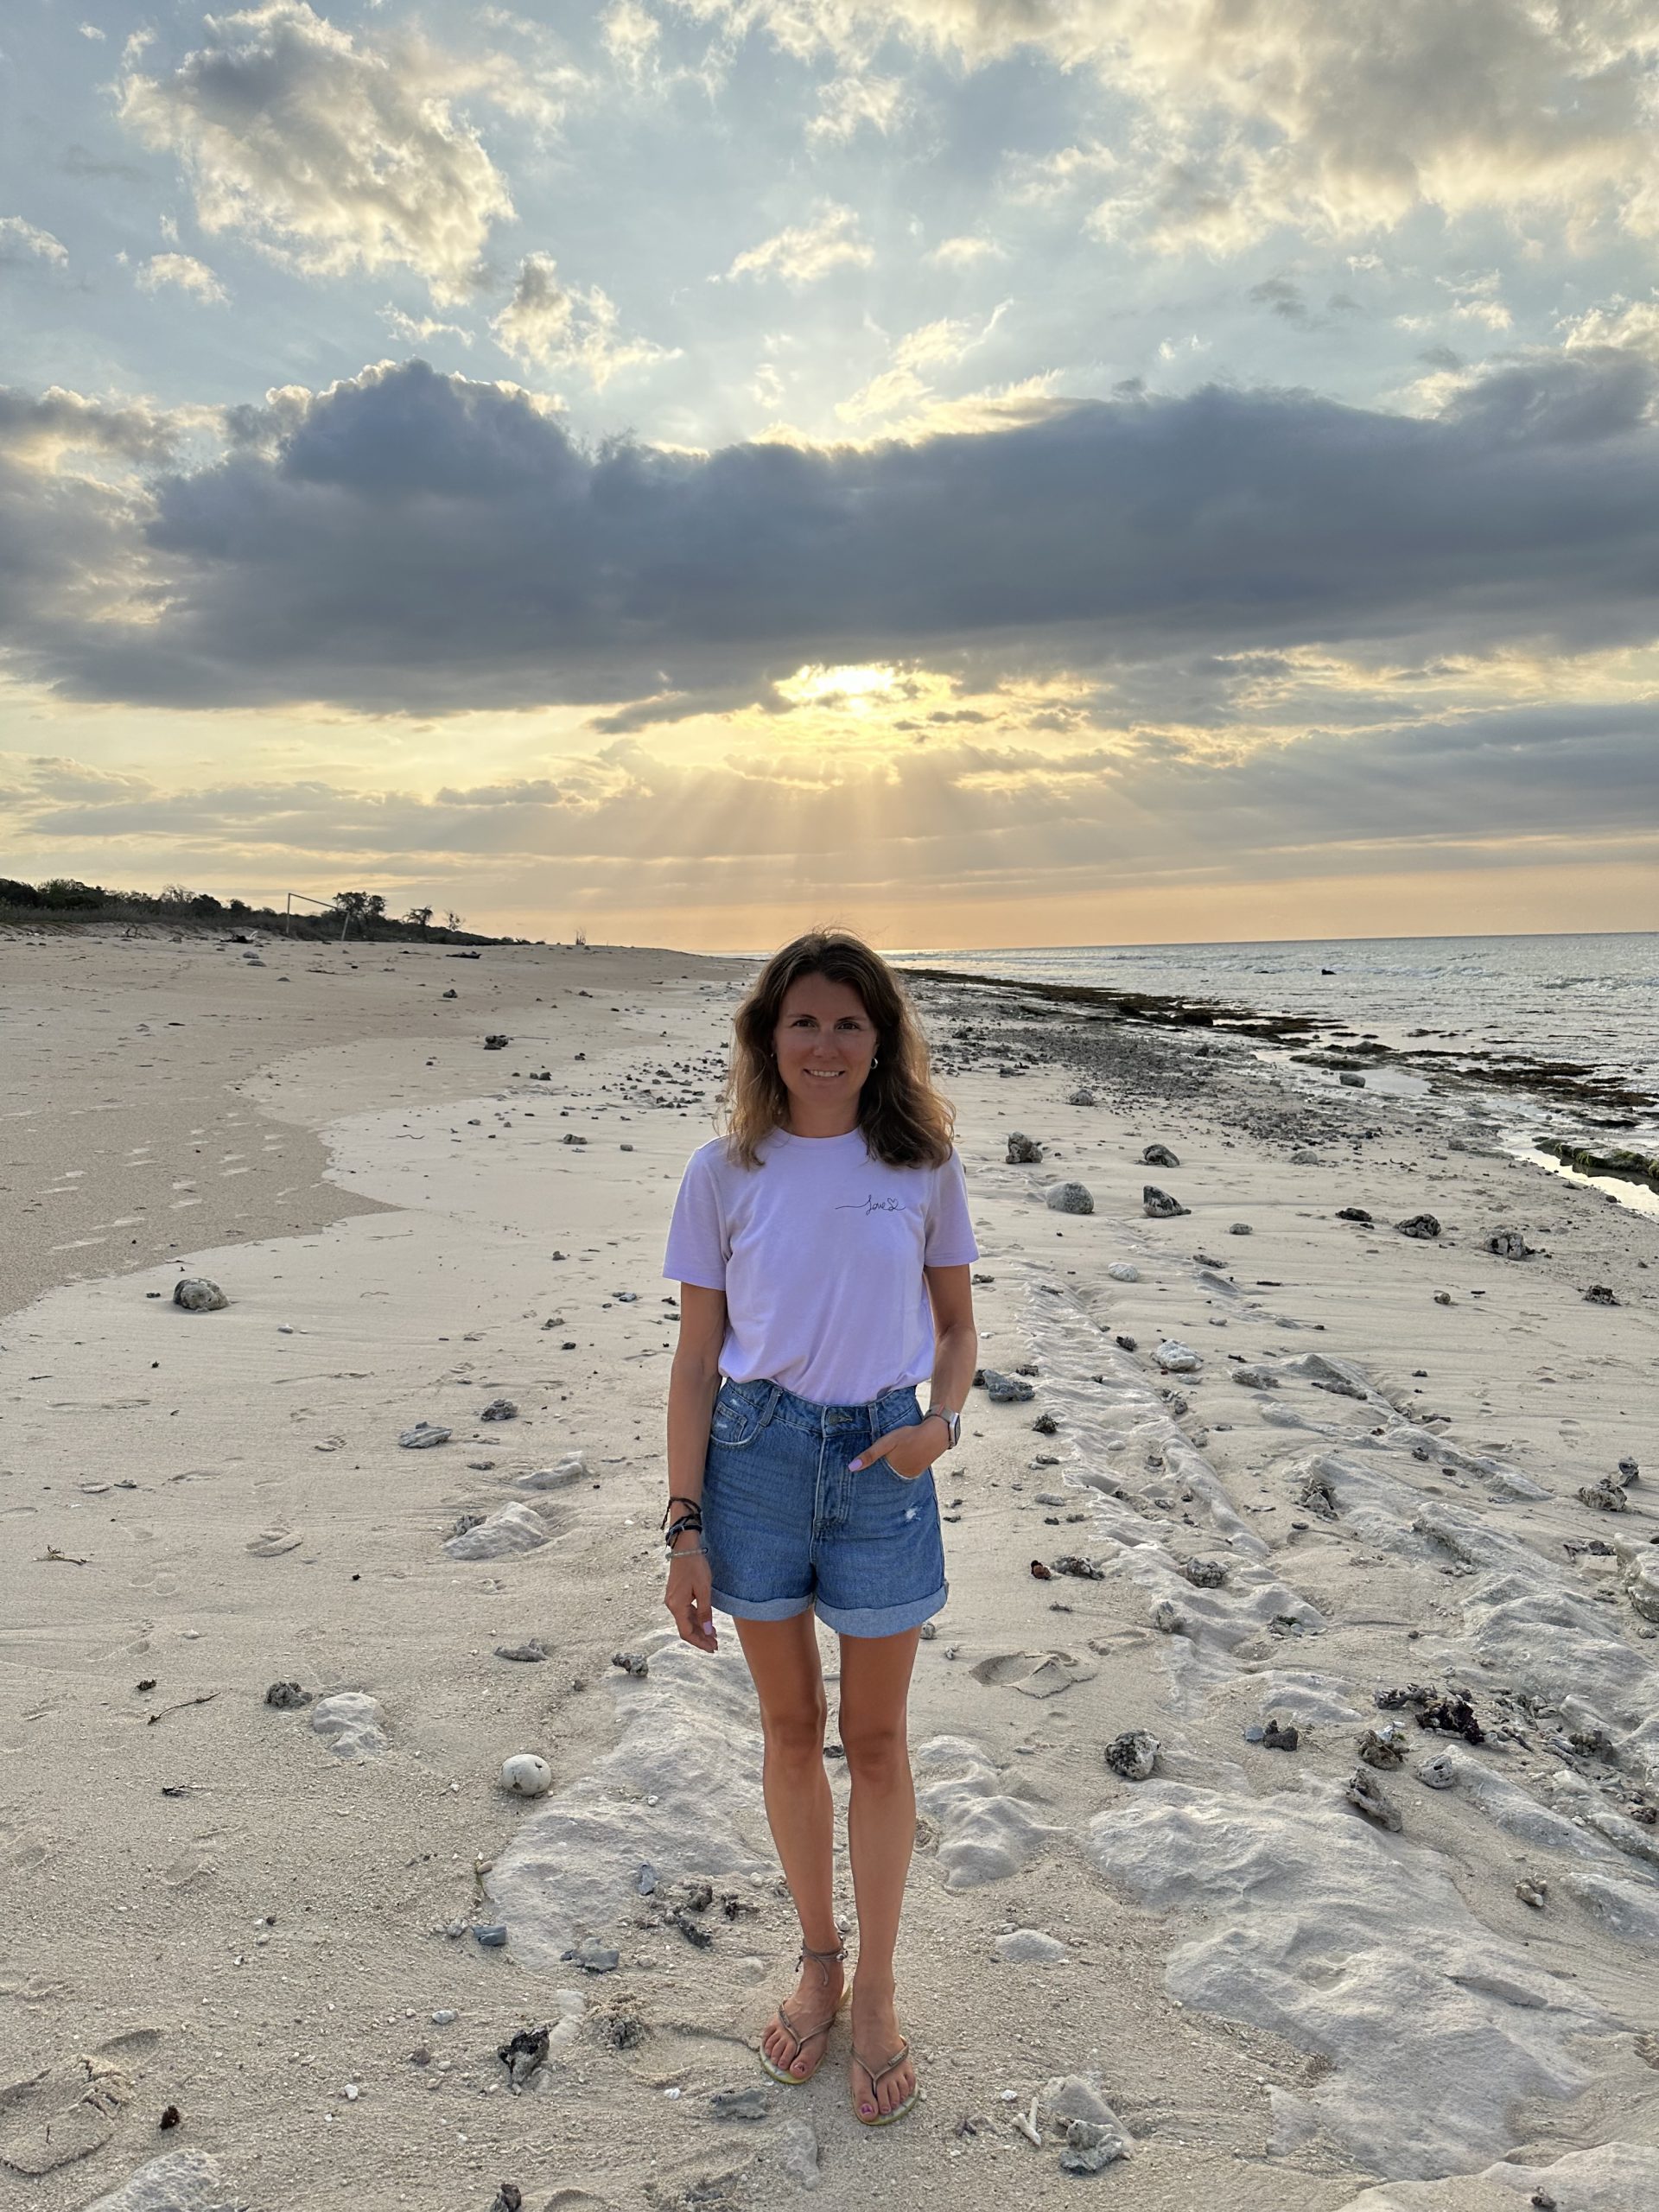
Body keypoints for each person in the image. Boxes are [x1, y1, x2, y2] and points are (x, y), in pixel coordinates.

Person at [659, 928, 979, 2126]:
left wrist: (940, 1425)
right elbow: (696, 1362)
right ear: (769, 1037)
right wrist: (684, 1528)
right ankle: (819, 1958)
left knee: (878, 1739)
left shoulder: (923, 1166)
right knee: (791, 1728)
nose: (827, 1044)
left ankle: (880, 1986)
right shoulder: (723, 1172)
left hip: (887, 1460)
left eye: (851, 1022)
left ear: (882, 1039)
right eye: (805, 1021)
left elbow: (958, 1329)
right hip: (754, 1459)